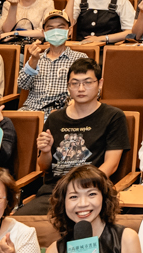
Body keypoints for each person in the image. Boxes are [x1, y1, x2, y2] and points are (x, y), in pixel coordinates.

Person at [32, 62, 129, 209]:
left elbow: (111, 165)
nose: (81, 89)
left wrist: (80, 187)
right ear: (68, 86)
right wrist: (45, 151)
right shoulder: (54, 118)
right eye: (75, 83)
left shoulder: (113, 116)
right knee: (21, 223)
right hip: (54, 192)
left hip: (90, 190)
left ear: (100, 83)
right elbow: (45, 166)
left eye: (88, 82)